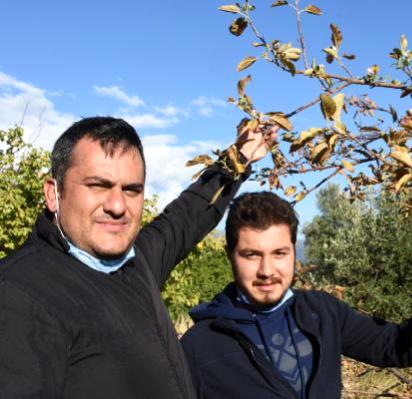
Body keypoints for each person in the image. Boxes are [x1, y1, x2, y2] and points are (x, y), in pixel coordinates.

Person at [0, 116, 275, 398]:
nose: (118, 206)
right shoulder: (20, 294)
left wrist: (238, 159)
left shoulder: (135, 261)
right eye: (98, 185)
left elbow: (187, 216)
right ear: (53, 193)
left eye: (132, 190)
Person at [181, 191, 412, 399]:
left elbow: (397, 346)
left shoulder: (320, 312)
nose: (267, 270)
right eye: (252, 255)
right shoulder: (198, 346)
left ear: (294, 252)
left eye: (279, 253)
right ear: (230, 255)